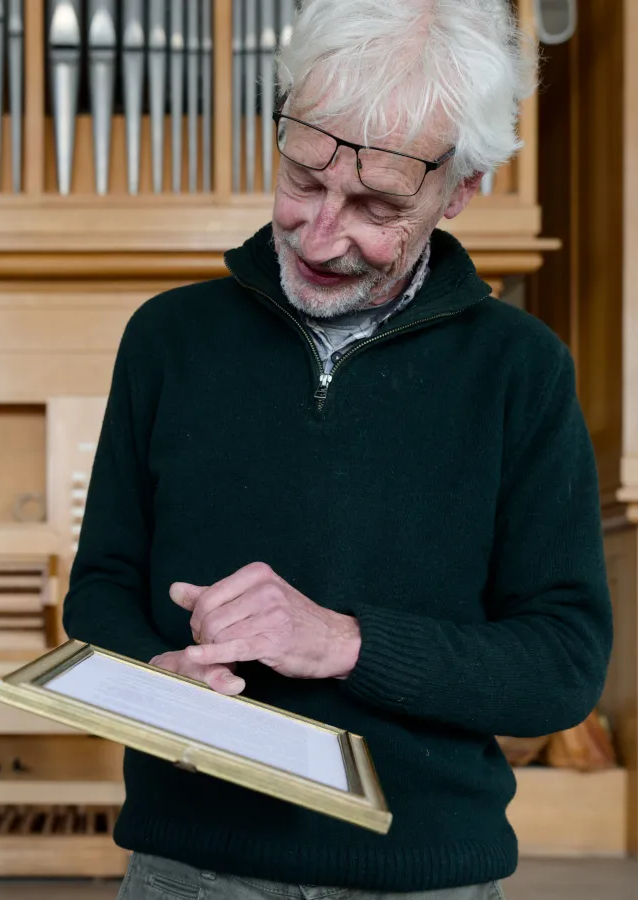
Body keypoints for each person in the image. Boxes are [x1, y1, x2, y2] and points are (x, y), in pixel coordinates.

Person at [62, 1, 613, 897]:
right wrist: (153, 680)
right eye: (304, 179)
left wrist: (348, 642)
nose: (320, 235)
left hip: (423, 879)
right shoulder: (169, 339)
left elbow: (561, 671)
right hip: (187, 871)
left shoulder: (523, 371)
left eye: (377, 205)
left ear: (460, 188)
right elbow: (99, 595)